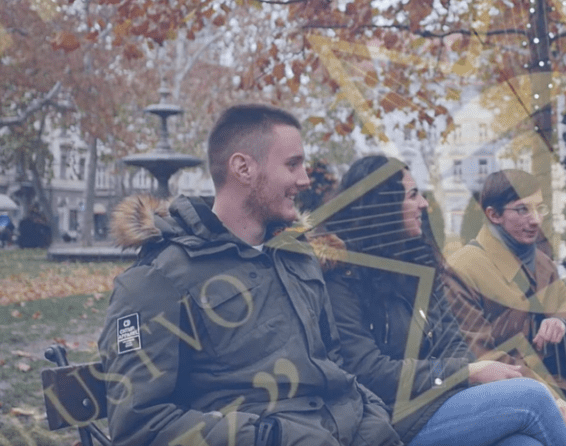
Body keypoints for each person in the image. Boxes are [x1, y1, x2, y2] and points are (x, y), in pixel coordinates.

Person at [98, 104, 402, 446]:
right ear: (243, 168)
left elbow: (334, 364)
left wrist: (371, 414)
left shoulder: (296, 257)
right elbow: (140, 427)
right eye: (292, 164)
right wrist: (268, 437)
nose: (304, 179)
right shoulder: (157, 278)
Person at [320, 155, 566, 446]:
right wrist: (463, 373)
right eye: (412, 195)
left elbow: (454, 342)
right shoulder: (343, 278)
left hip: (444, 401)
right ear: (382, 206)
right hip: (389, 419)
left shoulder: (417, 264)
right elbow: (368, 371)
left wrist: (461, 372)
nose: (424, 204)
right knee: (534, 397)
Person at [444, 169, 566, 446]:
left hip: (551, 378)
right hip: (503, 394)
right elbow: (481, 356)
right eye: (522, 209)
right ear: (494, 215)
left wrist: (561, 322)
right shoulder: (463, 268)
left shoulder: (540, 261)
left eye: (539, 208)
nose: (535, 220)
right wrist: (548, 397)